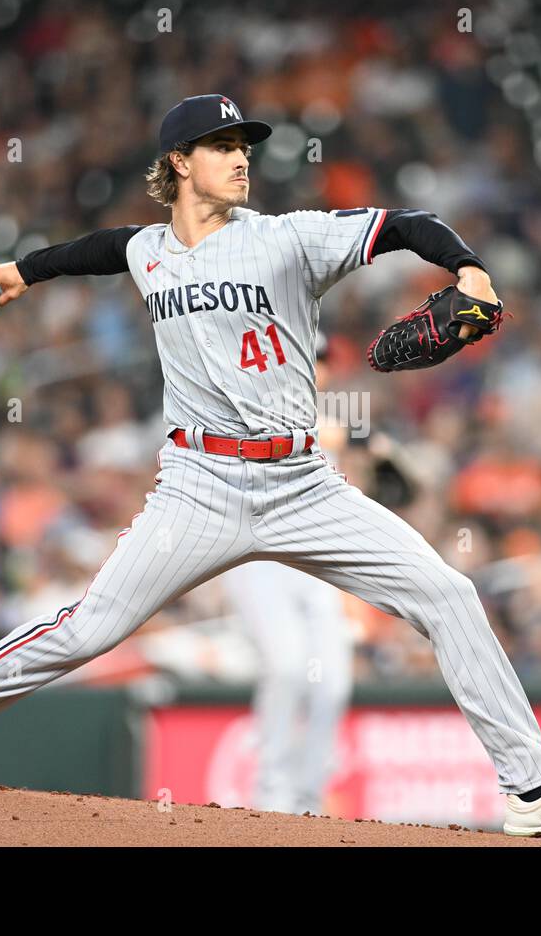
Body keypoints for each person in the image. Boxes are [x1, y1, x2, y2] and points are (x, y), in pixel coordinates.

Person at [0, 94, 541, 835]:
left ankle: (534, 792)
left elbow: (407, 223)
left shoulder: (287, 236)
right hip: (197, 487)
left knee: (447, 592)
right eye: (221, 146)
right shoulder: (147, 251)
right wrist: (20, 272)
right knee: (86, 629)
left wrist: (468, 270)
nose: (240, 159)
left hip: (304, 483)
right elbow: (96, 250)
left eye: (243, 147)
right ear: (178, 162)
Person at [219, 332, 353, 816]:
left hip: (312, 566)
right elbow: (324, 432)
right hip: (259, 564)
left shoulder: (330, 420)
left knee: (333, 683)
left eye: (322, 360)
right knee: (288, 668)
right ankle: (271, 798)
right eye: (310, 358)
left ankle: (307, 801)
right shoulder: (250, 403)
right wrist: (371, 441)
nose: (319, 368)